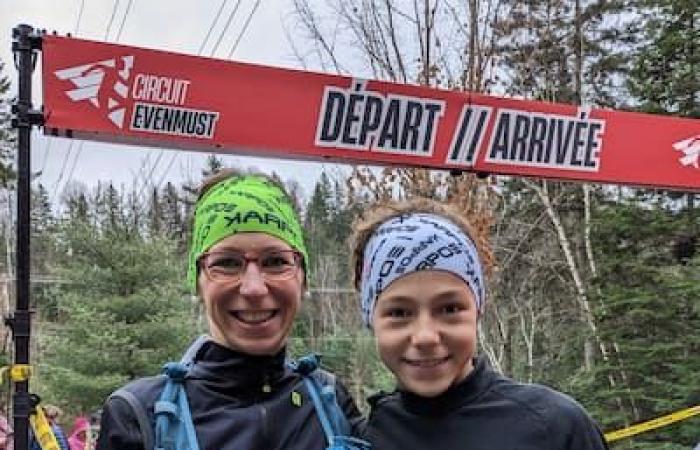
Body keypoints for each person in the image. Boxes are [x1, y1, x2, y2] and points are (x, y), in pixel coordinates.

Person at [97, 170, 363, 450]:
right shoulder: (140, 417)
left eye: (275, 261)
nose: (253, 288)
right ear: (197, 283)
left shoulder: (330, 401)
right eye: (227, 263)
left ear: (303, 278)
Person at [351, 197, 609, 450]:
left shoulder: (555, 427)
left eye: (450, 309)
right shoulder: (366, 437)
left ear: (478, 309)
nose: (425, 337)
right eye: (399, 313)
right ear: (370, 318)